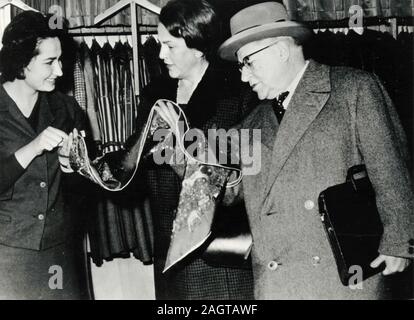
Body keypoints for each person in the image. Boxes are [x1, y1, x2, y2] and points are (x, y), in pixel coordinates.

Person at [215, 1, 414, 299]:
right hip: (276, 285)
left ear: (280, 51)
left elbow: (391, 168)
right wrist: (183, 153)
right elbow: (228, 189)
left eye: (248, 63)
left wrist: (399, 242)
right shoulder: (249, 125)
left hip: (342, 278)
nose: (243, 76)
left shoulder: (353, 89)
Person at [109, 0, 254, 300]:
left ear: (198, 46)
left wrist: (178, 142)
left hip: (219, 254)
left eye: (170, 46)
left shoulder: (237, 93)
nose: (160, 54)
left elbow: (238, 185)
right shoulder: (155, 95)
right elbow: (129, 174)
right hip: (169, 252)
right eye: (160, 44)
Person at [0, 11, 89, 299]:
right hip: (7, 253)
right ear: (21, 62)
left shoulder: (66, 109)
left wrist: (70, 165)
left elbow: (83, 194)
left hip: (58, 250)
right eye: (49, 62)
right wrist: (33, 147)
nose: (60, 71)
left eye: (60, 60)